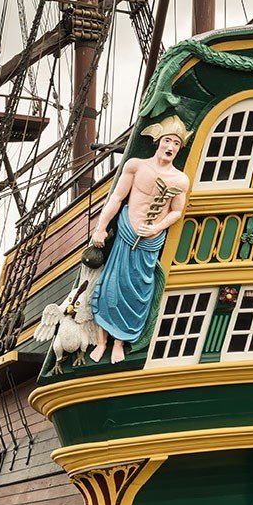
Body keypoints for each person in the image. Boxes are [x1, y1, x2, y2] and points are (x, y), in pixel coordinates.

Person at [88, 115, 192, 365]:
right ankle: (102, 342)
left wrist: (156, 226)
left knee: (137, 294)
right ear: (158, 141)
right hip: (125, 236)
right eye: (167, 140)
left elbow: (177, 211)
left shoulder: (180, 180)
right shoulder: (136, 166)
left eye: (176, 144)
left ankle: (120, 343)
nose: (170, 147)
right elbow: (116, 198)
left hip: (149, 243)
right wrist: (101, 228)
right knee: (111, 287)